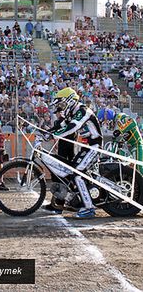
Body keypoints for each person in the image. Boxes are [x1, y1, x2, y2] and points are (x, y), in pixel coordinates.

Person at [44, 87, 102, 219]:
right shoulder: (73, 112)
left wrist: (53, 136)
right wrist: (45, 133)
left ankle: (89, 208)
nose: (61, 107)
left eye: (62, 104)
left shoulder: (83, 110)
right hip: (86, 147)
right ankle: (76, 201)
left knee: (77, 175)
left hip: (94, 147)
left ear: (70, 101)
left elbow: (72, 127)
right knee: (71, 172)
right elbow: (61, 125)